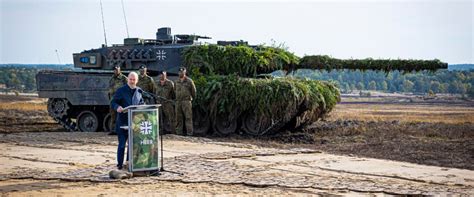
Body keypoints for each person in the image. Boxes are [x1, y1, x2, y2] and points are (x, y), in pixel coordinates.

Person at [110, 72, 144, 170]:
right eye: (130, 79)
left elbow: (141, 103)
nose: (132, 81)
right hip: (122, 122)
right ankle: (120, 165)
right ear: (127, 79)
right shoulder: (121, 90)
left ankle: (129, 163)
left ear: (137, 81)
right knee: (121, 145)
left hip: (134, 122)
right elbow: (113, 102)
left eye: (134, 80)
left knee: (131, 145)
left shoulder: (139, 91)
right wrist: (118, 107)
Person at [174, 67, 196, 136]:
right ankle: (179, 133)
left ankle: (189, 133)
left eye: (182, 72)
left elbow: (194, 91)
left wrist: (191, 99)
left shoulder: (189, 81)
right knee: (178, 118)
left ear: (185, 72)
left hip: (186, 101)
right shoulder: (176, 81)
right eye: (180, 72)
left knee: (188, 117)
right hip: (178, 102)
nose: (181, 73)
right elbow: (174, 90)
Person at [108, 66, 127, 135]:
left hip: (121, 100)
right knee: (113, 115)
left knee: (121, 116)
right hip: (113, 100)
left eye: (117, 70)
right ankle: (112, 130)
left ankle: (120, 130)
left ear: (120, 70)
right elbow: (109, 89)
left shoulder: (124, 78)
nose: (116, 71)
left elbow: (127, 88)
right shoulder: (112, 79)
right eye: (115, 70)